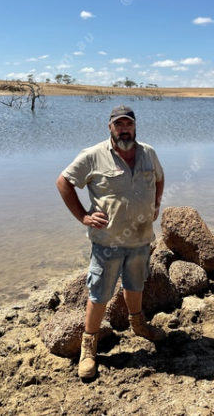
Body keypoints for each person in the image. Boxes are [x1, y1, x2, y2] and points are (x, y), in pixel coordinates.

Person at [56, 105, 166, 379]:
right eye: (119, 124)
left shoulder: (148, 153)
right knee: (99, 294)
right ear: (110, 127)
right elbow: (63, 182)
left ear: (135, 126)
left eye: (128, 124)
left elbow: (160, 178)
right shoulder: (93, 155)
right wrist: (83, 216)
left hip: (141, 239)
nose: (124, 129)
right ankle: (89, 347)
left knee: (135, 285)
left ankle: (138, 324)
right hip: (108, 243)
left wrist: (156, 204)